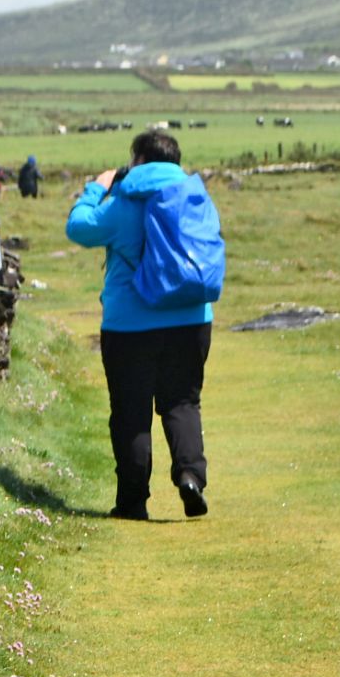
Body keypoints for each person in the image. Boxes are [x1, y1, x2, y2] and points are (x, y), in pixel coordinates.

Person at [65, 130, 218, 519]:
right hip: (191, 317)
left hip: (130, 325)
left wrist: (95, 187)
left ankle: (133, 502)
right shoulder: (196, 198)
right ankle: (190, 477)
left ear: (137, 160)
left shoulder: (123, 204)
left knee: (131, 413)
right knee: (182, 401)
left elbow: (79, 227)